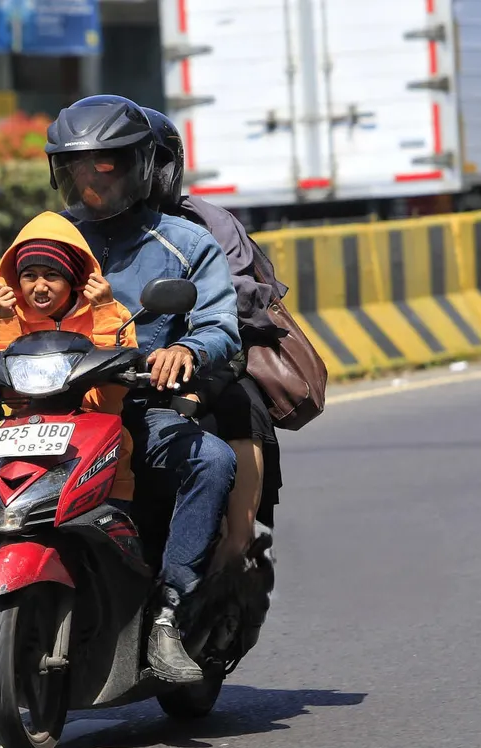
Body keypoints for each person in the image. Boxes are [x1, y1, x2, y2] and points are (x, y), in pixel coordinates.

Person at [0, 96, 241, 693]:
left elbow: (218, 326)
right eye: (78, 169)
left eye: (105, 167)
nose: (91, 181)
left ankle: (169, 613)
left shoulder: (184, 243)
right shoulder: (48, 237)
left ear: (140, 167)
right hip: (39, 410)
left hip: (132, 408)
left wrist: (187, 351)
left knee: (210, 461)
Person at [141, 106, 285, 662]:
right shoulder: (79, 227)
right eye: (89, 168)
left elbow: (237, 300)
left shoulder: (203, 225)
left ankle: (233, 544)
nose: (102, 180)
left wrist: (191, 337)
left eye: (123, 165)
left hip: (207, 351)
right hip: (109, 365)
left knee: (236, 402)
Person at [0, 211, 137, 506]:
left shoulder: (111, 311)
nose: (40, 287)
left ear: (73, 279)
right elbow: (11, 392)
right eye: (29, 276)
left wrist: (104, 311)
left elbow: (115, 383)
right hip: (26, 429)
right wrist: (6, 320)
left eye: (52, 275)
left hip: (93, 427)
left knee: (122, 448)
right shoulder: (10, 313)